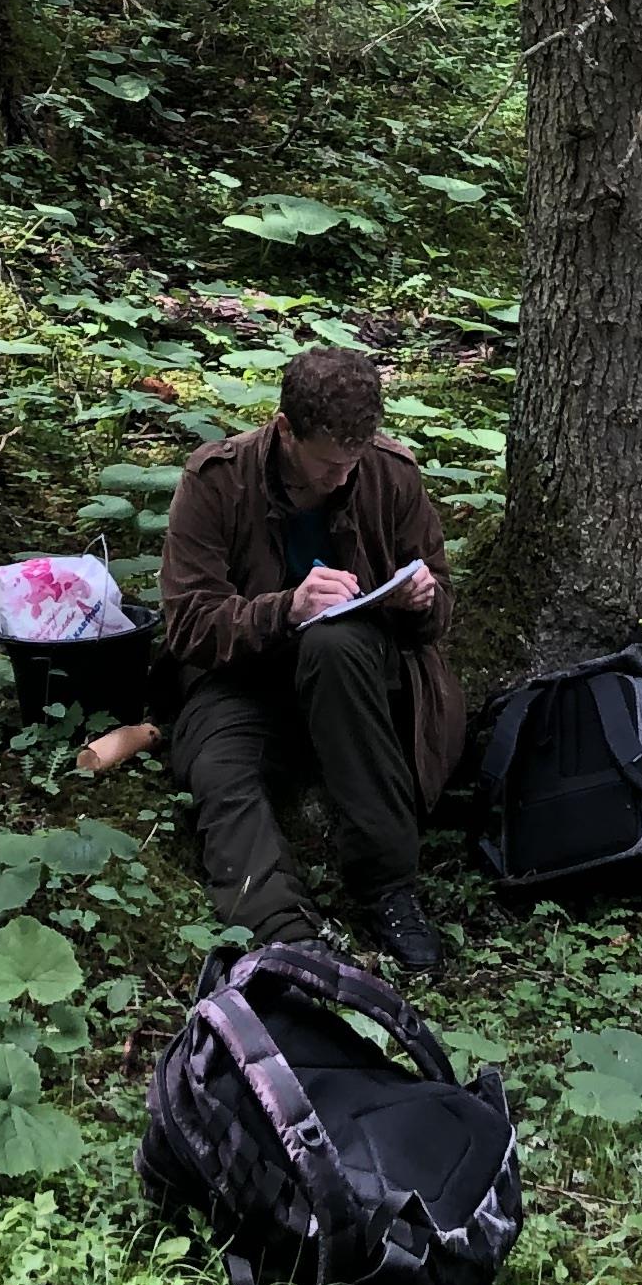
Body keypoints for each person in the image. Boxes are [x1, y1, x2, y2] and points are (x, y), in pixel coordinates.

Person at [156, 345, 465, 981]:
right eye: (328, 466)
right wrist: (283, 610)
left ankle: (387, 886)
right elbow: (187, 622)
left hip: (357, 676)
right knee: (216, 765)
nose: (342, 480)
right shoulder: (218, 479)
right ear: (285, 430)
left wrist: (420, 599)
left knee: (334, 645)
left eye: (353, 463)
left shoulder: (389, 475)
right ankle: (285, 931)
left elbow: (437, 610)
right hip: (247, 678)